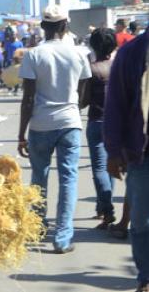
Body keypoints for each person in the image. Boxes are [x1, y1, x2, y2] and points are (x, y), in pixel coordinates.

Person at [16, 5, 91, 254]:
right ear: (64, 26)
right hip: (69, 123)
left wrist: (21, 134)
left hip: (40, 124)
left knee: (39, 178)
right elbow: (82, 91)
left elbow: (28, 98)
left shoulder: (33, 55)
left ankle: (37, 228)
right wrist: (73, 109)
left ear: (43, 27)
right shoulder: (78, 54)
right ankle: (62, 239)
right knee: (68, 179)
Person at [105, 19, 149, 292]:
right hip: (141, 153)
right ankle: (146, 276)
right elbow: (116, 104)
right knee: (142, 222)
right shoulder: (132, 53)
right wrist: (112, 150)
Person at [78, 27, 118, 230]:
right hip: (117, 123)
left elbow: (83, 101)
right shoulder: (118, 66)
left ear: (93, 45)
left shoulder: (92, 69)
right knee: (111, 166)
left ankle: (108, 210)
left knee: (100, 169)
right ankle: (102, 208)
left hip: (97, 122)